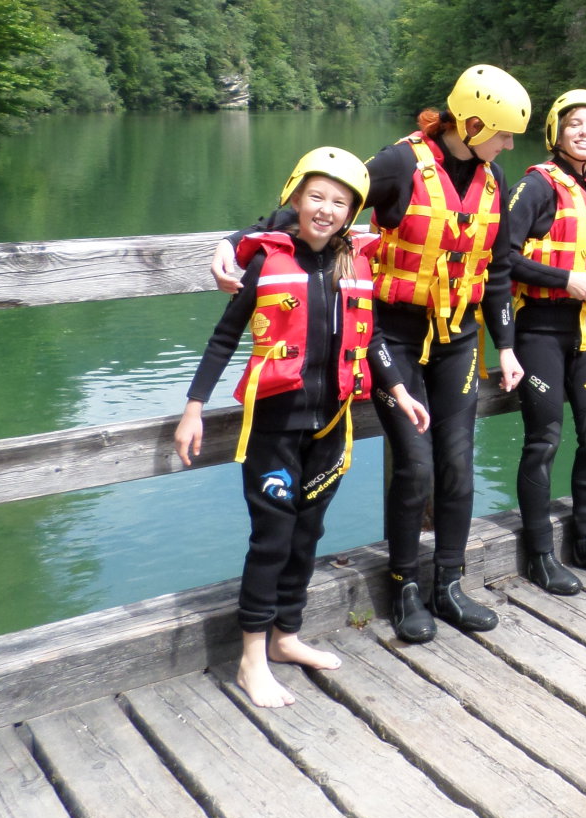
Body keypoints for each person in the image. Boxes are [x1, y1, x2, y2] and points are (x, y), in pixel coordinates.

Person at [212, 65, 530, 645]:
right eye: (503, 133)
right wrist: (239, 241)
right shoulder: (399, 165)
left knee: (457, 465)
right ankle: (405, 585)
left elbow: (500, 269)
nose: (508, 144)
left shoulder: (493, 177)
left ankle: (449, 584)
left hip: (457, 337)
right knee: (416, 464)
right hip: (393, 339)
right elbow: (322, 207)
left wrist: (505, 346)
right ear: (476, 121)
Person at [177, 148, 430, 708]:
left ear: (351, 213)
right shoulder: (268, 262)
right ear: (294, 199)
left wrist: (400, 391)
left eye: (339, 203)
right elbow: (224, 338)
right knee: (271, 540)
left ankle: (286, 637)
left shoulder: (355, 264)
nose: (325, 209)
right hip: (274, 428)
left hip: (331, 427)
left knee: (308, 533)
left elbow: (375, 340)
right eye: (316, 197)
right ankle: (251, 659)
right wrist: (194, 407)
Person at [505, 89, 586, 595]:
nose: (584, 132)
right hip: (539, 327)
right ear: (556, 131)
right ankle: (539, 554)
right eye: (574, 123)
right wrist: (562, 280)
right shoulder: (535, 187)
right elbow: (503, 257)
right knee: (544, 441)